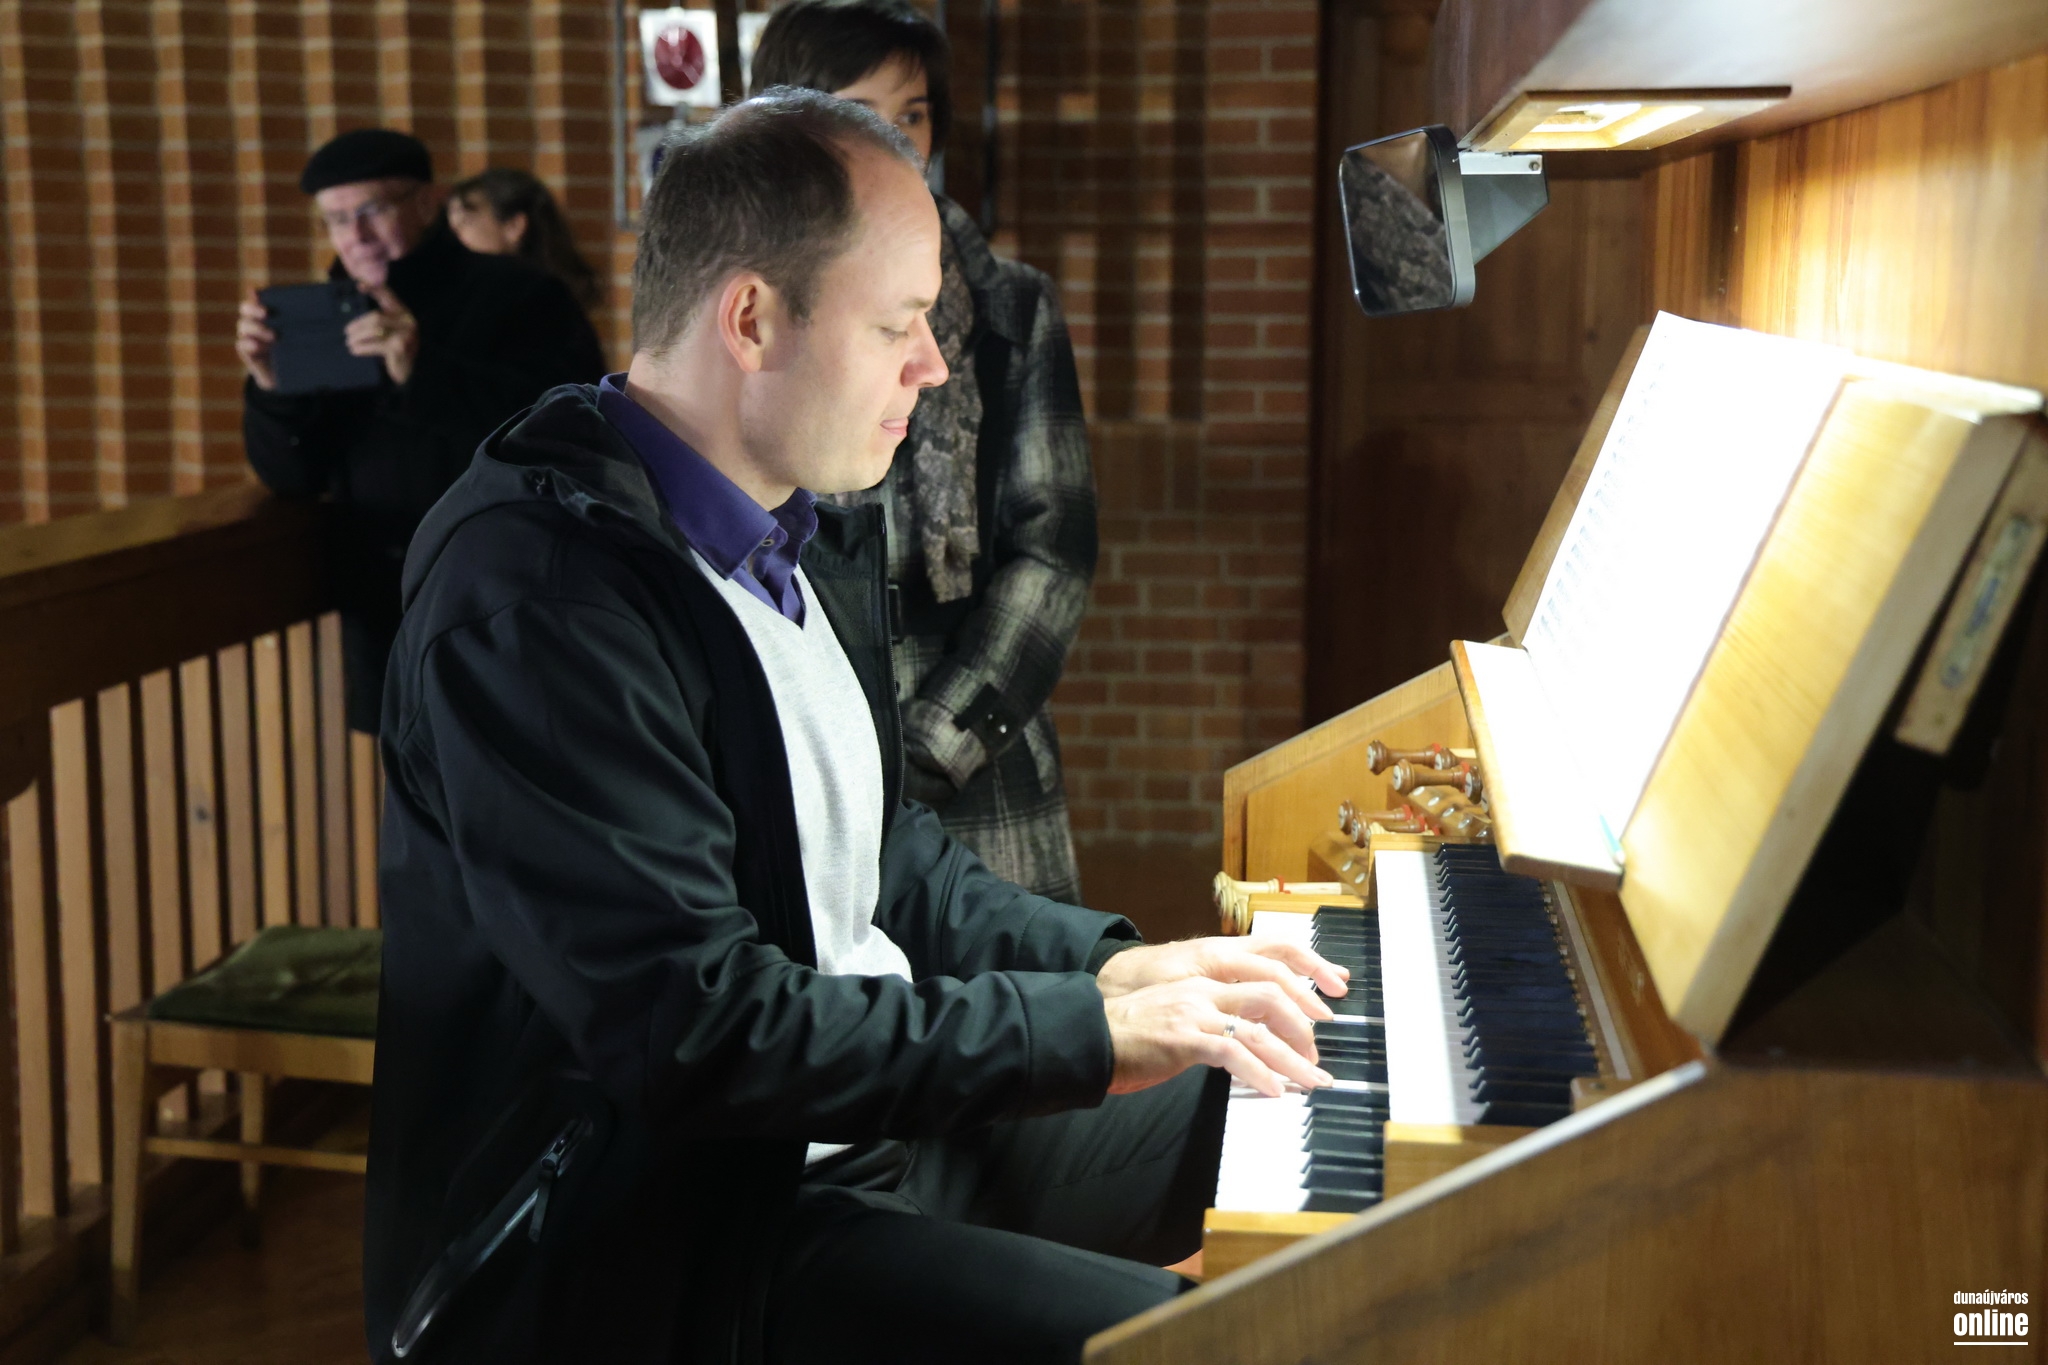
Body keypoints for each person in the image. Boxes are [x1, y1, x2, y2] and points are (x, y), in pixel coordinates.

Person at [362, 91, 1346, 1365]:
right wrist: (1080, 1034)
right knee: (1236, 1349)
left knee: (1310, 1099)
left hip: (865, 1132)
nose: (931, 364)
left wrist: (1112, 972)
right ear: (752, 319)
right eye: (896, 324)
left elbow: (881, 860)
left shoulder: (788, 525)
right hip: (676, 1239)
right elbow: (697, 1032)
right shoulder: (541, 600)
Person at [750, 0, 1096, 901]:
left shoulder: (1008, 303)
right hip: (794, 758)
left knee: (1012, 979)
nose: (898, 141)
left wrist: (931, 749)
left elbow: (1052, 550)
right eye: (863, 114)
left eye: (914, 113)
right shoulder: (748, 297)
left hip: (976, 756)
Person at [236, 128, 607, 733]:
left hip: (507, 599)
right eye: (337, 220)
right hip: (385, 609)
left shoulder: (524, 294)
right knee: (405, 783)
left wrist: (421, 370)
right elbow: (290, 475)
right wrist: (271, 389)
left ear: (428, 203)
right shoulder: (321, 320)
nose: (355, 236)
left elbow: (570, 435)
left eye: (371, 211)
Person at [446, 166, 606, 313]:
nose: (453, 236)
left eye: (465, 222)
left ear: (513, 226)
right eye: (451, 225)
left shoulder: (542, 302)